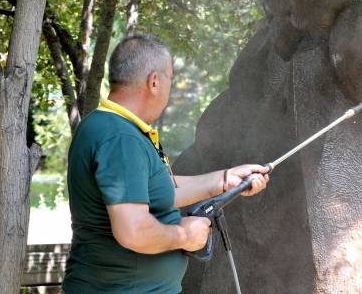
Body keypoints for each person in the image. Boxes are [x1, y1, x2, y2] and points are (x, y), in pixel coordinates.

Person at [62, 35, 269, 293]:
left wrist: (224, 180)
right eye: (170, 78)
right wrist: (184, 236)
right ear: (154, 82)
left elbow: (159, 190)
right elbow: (133, 231)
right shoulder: (120, 138)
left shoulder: (115, 128)